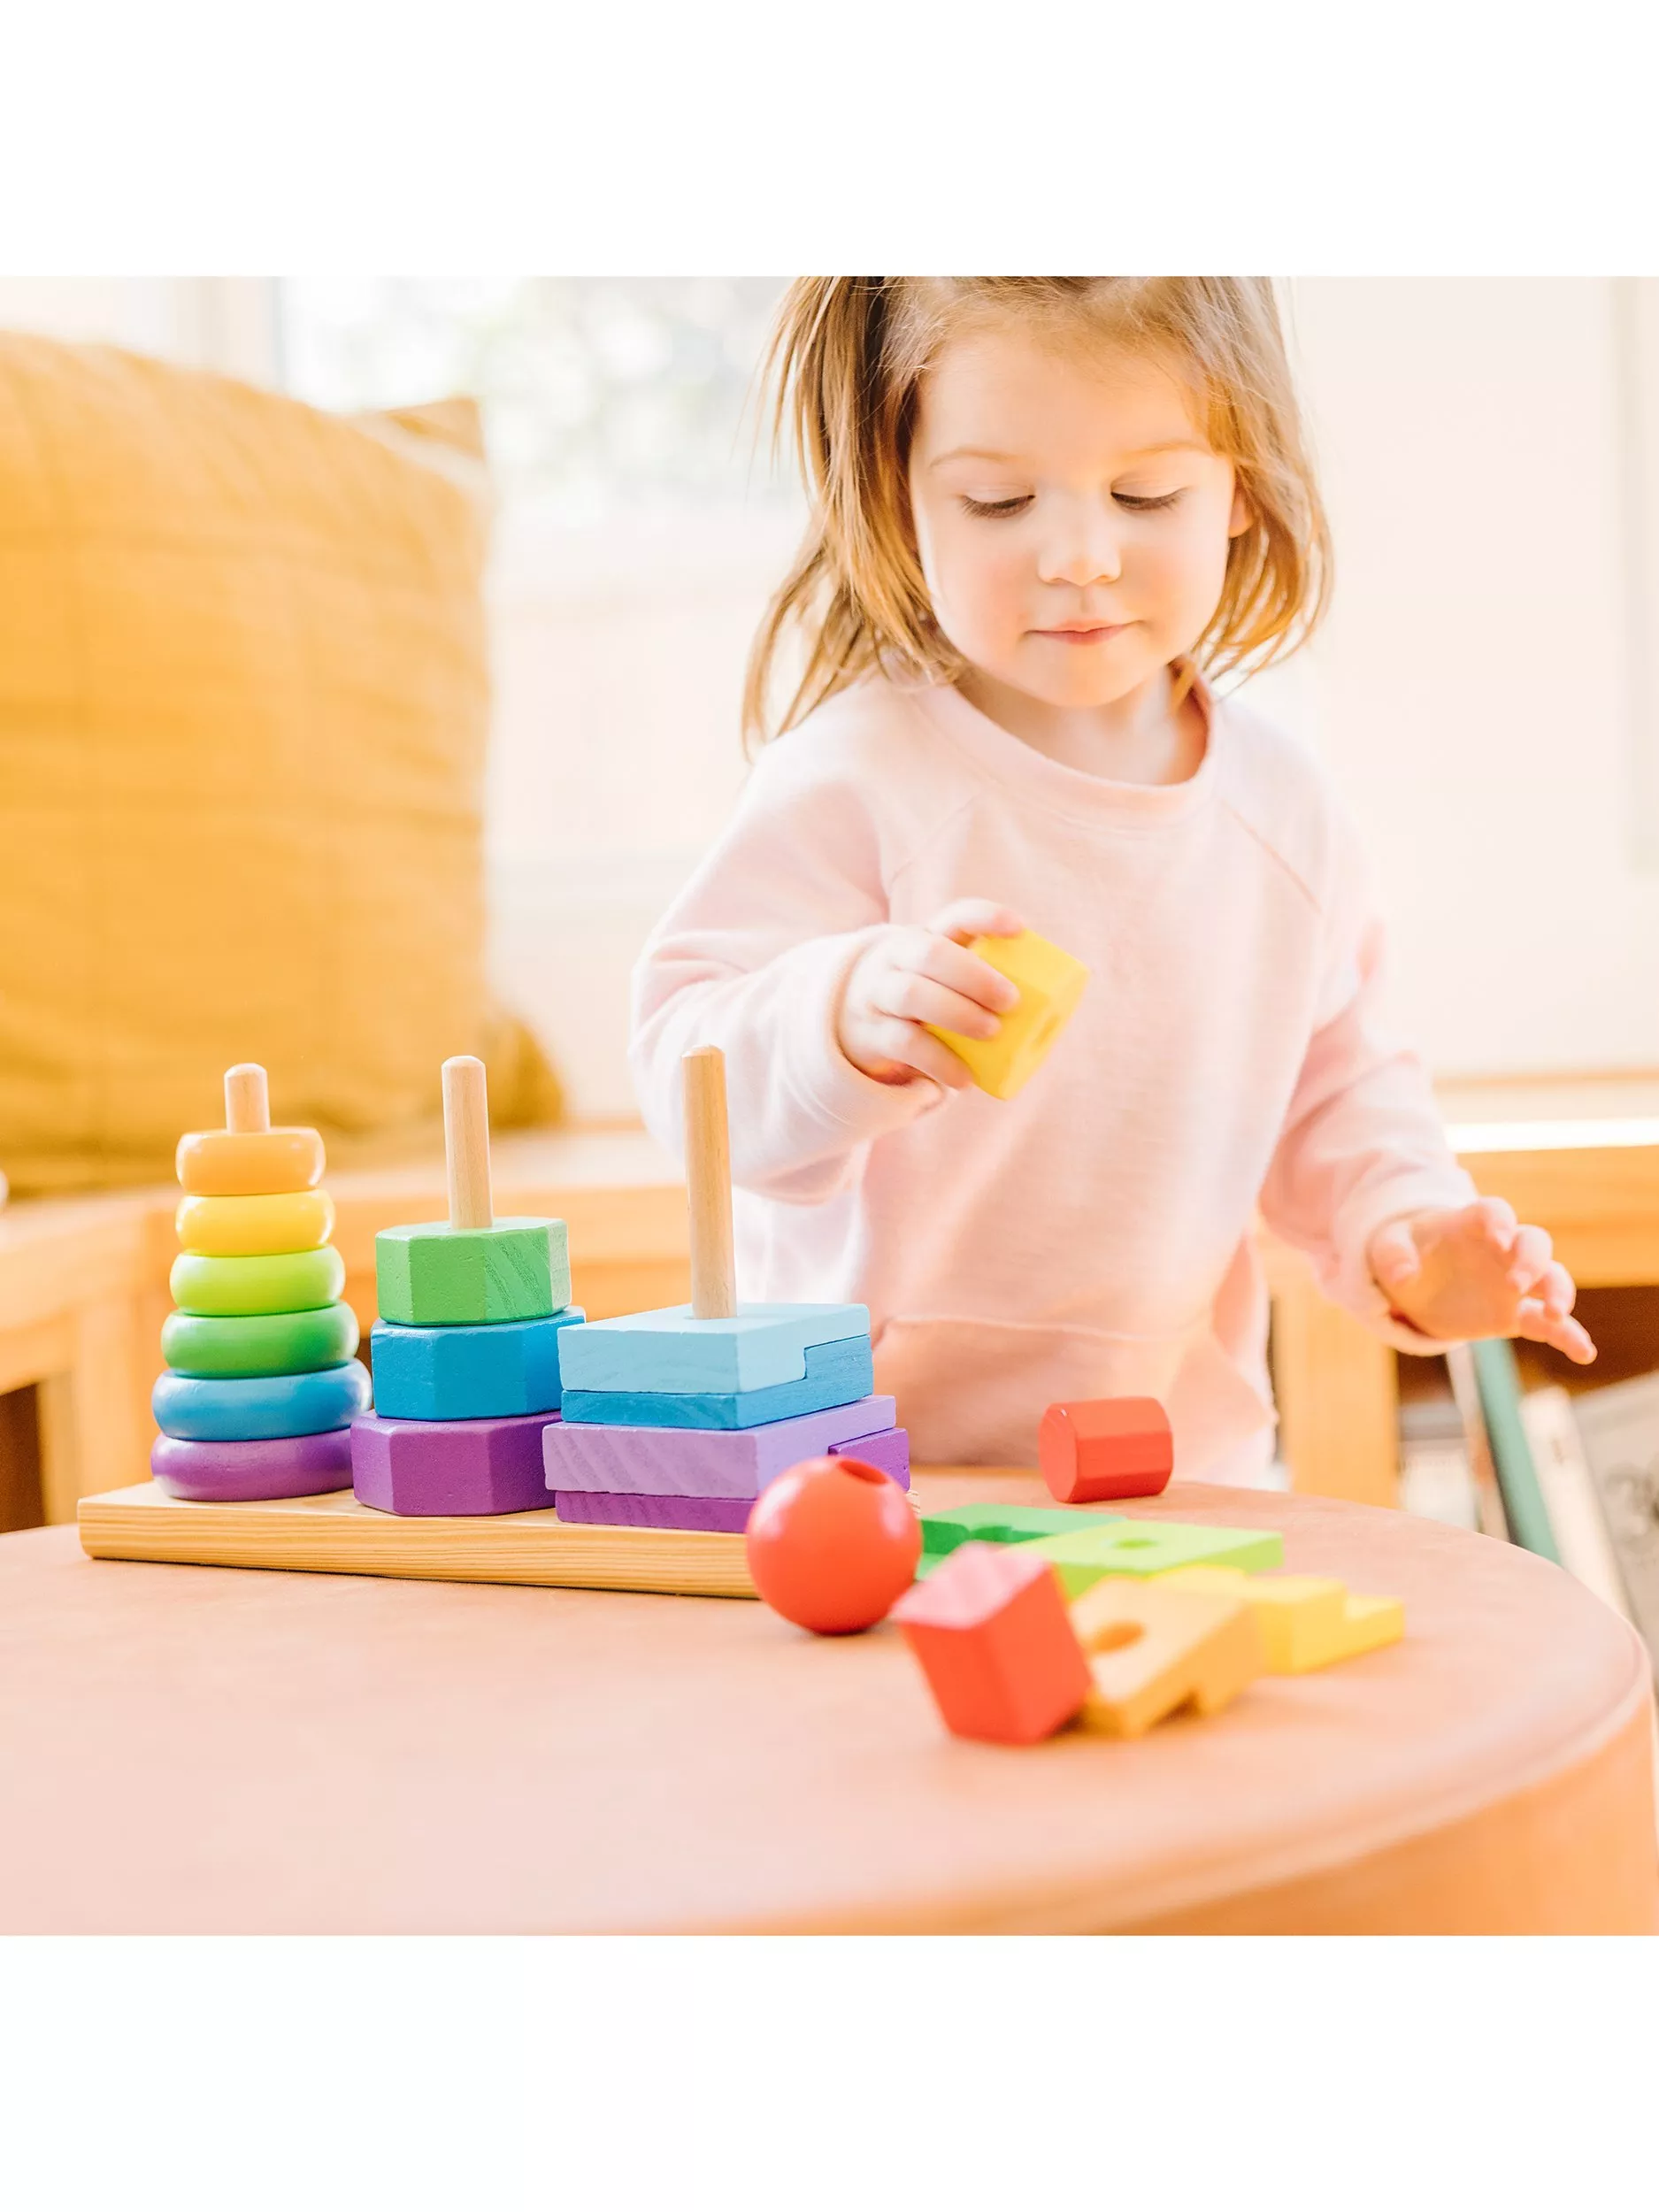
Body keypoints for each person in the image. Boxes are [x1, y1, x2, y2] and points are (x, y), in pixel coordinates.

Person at [630, 277, 1594, 1480]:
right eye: (997, 500)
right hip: (862, 1469)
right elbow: (687, 1064)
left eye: (1145, 493)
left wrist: (1406, 1231)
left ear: (1237, 486)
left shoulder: (1282, 813)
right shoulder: (856, 775)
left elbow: (1339, 1089)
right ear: (900, 493)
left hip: (1175, 1472)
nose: (1078, 556)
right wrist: (837, 1016)